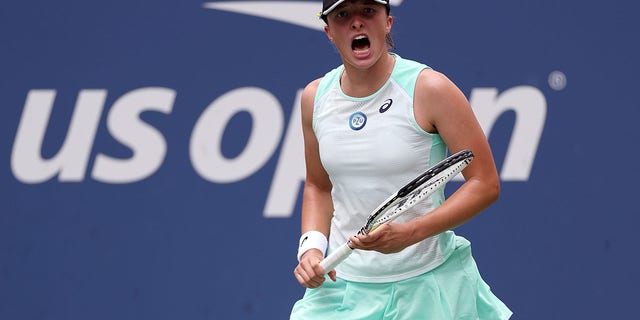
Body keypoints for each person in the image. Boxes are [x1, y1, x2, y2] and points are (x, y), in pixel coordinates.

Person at [290, 0, 513, 319]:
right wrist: (311, 248)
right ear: (328, 31)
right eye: (343, 15)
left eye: (368, 11)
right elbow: (318, 186)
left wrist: (411, 233)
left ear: (388, 22)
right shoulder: (315, 98)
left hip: (427, 288)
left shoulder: (430, 88)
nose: (356, 23)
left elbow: (485, 183)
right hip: (342, 292)